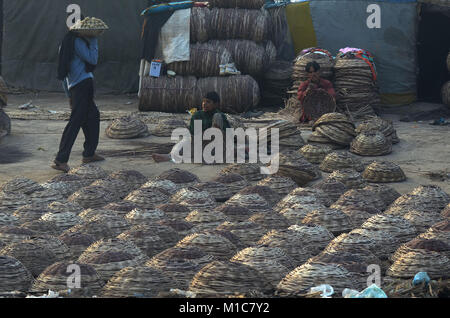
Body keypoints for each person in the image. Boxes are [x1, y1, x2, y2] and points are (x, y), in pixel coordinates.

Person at [52, 20, 105, 173]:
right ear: (79, 30)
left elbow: (64, 74)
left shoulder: (66, 43)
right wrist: (94, 40)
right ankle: (60, 160)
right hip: (82, 86)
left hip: (77, 87)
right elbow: (92, 59)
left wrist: (69, 95)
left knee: (93, 117)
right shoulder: (78, 42)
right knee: (76, 122)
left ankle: (89, 154)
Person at [152, 91, 231, 163]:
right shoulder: (197, 115)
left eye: (208, 102)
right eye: (203, 101)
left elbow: (228, 135)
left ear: (216, 104)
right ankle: (169, 156)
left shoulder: (220, 115)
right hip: (202, 144)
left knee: (217, 117)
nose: (204, 104)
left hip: (217, 144)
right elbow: (193, 135)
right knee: (186, 141)